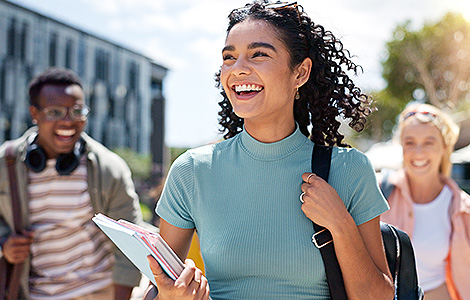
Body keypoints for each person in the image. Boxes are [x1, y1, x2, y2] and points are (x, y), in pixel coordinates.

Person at [144, 1, 394, 299]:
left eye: (258, 54)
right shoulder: (192, 171)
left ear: (300, 73)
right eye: (229, 57)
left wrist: (341, 225)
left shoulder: (349, 169)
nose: (237, 69)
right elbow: (156, 287)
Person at [0, 67, 145, 300]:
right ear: (34, 114)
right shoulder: (5, 164)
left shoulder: (110, 169)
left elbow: (129, 248)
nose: (68, 121)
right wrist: (4, 244)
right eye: (55, 112)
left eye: (77, 111)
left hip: (97, 294)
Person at [379, 103, 470, 300]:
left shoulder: (464, 208)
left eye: (429, 142)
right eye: (410, 142)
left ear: (444, 148)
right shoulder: (378, 195)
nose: (418, 152)